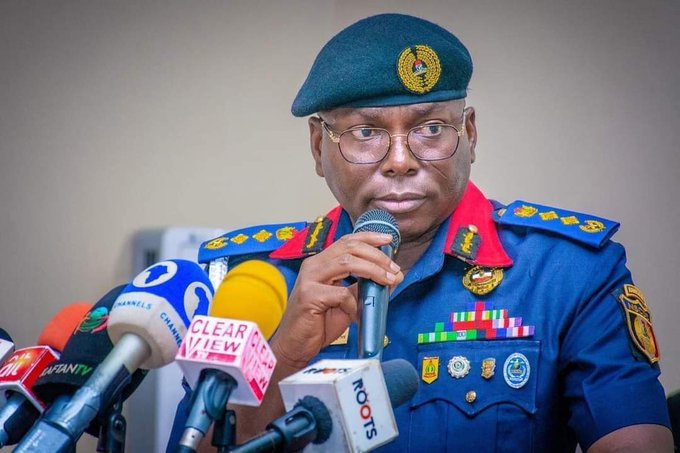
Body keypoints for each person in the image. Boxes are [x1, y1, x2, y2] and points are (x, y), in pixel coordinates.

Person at [168, 13, 672, 451]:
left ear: (469, 134)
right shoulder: (252, 283)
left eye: (430, 128)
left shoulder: (569, 272)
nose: (400, 161)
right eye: (366, 132)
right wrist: (283, 355)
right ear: (318, 147)